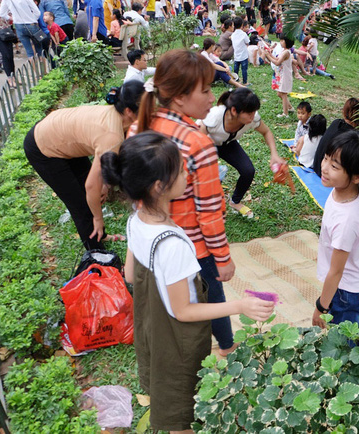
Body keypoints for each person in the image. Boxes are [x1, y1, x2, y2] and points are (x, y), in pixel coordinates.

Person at [102, 131, 274, 434]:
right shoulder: (173, 245)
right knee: (182, 415)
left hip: (152, 328)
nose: (187, 173)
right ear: (159, 186)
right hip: (177, 341)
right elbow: (183, 311)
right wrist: (240, 305)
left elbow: (129, 275)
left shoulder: (136, 219)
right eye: (181, 170)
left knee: (167, 395)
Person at [130, 49, 242, 363]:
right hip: (193, 246)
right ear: (179, 98)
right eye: (205, 90)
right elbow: (209, 213)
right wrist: (223, 259)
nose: (212, 98)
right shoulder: (198, 144)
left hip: (152, 239)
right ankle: (227, 348)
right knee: (211, 297)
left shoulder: (139, 126)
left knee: (165, 301)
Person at [23, 81, 145, 250]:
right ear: (129, 111)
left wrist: (104, 185)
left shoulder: (115, 117)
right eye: (147, 106)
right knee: (81, 206)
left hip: (64, 140)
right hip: (43, 148)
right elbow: (91, 186)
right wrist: (98, 218)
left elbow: (100, 170)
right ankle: (98, 256)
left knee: (91, 193)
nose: (151, 111)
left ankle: (100, 235)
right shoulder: (112, 135)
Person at [312, 130, 359, 328]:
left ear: (357, 177)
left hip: (347, 292)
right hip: (346, 282)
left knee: (344, 345)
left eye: (334, 166)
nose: (325, 167)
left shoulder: (347, 219)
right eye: (326, 158)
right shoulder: (344, 190)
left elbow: (336, 272)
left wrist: (321, 307)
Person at [199, 87, 286, 219]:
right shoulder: (214, 116)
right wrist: (208, 163)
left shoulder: (252, 118)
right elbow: (198, 142)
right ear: (234, 111)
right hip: (206, 144)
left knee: (248, 171)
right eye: (249, 113)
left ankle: (235, 202)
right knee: (207, 177)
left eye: (254, 112)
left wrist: (274, 154)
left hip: (228, 143)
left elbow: (266, 132)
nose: (253, 116)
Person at [312, 98, 359, 177]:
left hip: (317, 166)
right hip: (326, 174)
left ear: (344, 112)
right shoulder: (351, 136)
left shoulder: (336, 122)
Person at [261, 36, 293, 118]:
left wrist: (268, 56)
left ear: (286, 42)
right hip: (280, 74)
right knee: (280, 93)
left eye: (282, 41)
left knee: (283, 93)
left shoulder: (286, 52)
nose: (280, 42)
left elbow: (277, 62)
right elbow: (277, 58)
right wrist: (270, 54)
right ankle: (290, 107)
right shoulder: (283, 51)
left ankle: (285, 113)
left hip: (285, 75)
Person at [230, 17, 249, 85]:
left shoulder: (233, 35)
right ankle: (245, 81)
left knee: (236, 69)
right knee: (244, 69)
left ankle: (236, 80)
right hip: (243, 55)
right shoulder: (244, 34)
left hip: (236, 55)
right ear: (242, 25)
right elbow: (247, 42)